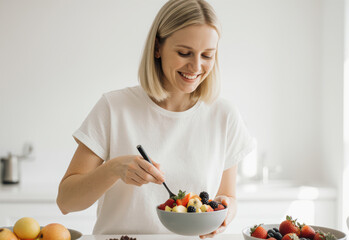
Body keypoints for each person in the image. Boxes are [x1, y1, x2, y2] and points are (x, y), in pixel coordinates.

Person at [56, 0, 255, 238]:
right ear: (157, 48)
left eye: (207, 55)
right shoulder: (114, 107)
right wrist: (112, 169)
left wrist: (224, 212)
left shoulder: (224, 115)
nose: (196, 66)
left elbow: (228, 198)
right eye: (184, 53)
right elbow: (66, 202)